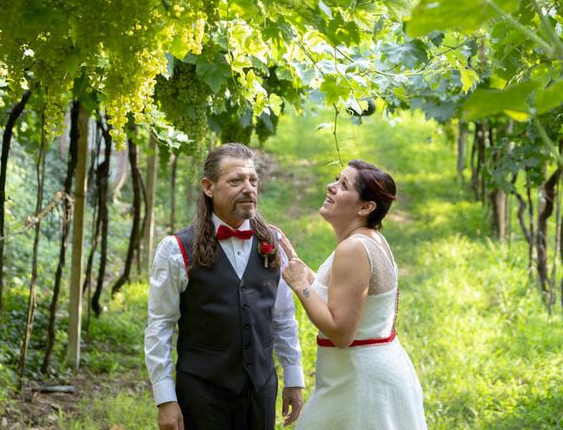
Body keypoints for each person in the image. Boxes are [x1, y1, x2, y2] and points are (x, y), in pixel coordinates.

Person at [144, 143, 305, 430]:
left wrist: (293, 376)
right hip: (202, 394)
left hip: (261, 389)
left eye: (253, 180)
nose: (248, 188)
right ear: (209, 187)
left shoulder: (274, 243)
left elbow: (283, 318)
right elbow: (160, 326)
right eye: (236, 180)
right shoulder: (176, 249)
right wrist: (165, 399)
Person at [278, 159, 427, 429]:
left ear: (365, 207)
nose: (331, 186)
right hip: (368, 373)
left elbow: (341, 332)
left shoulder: (353, 249)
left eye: (343, 184)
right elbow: (336, 291)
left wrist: (300, 286)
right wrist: (294, 260)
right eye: (336, 179)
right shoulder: (370, 238)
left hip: (361, 384)